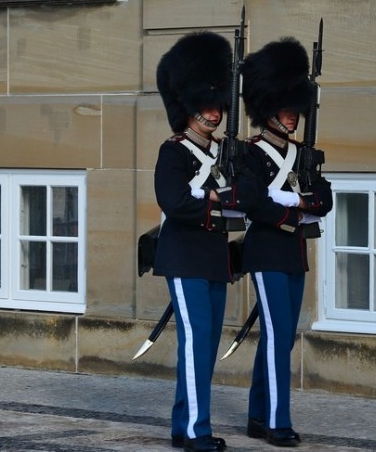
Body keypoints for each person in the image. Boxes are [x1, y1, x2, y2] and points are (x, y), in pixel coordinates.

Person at [153, 31, 259, 452]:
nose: (215, 114)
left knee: (204, 347)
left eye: (219, 107)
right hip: (184, 257)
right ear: (191, 108)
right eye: (208, 107)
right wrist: (215, 196)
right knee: (196, 346)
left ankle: (183, 426)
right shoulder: (174, 152)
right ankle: (197, 431)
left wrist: (230, 189)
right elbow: (175, 202)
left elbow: (249, 194)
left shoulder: (224, 153)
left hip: (215, 258)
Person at [239, 37, 333, 447]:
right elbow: (254, 203)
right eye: (285, 110)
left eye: (296, 110)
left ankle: (258, 415)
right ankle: (278, 422)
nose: (293, 118)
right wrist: (299, 207)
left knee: (280, 336)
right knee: (279, 338)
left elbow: (324, 199)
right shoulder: (250, 154)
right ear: (268, 111)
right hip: (265, 250)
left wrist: (297, 200)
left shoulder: (303, 155)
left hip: (295, 253)